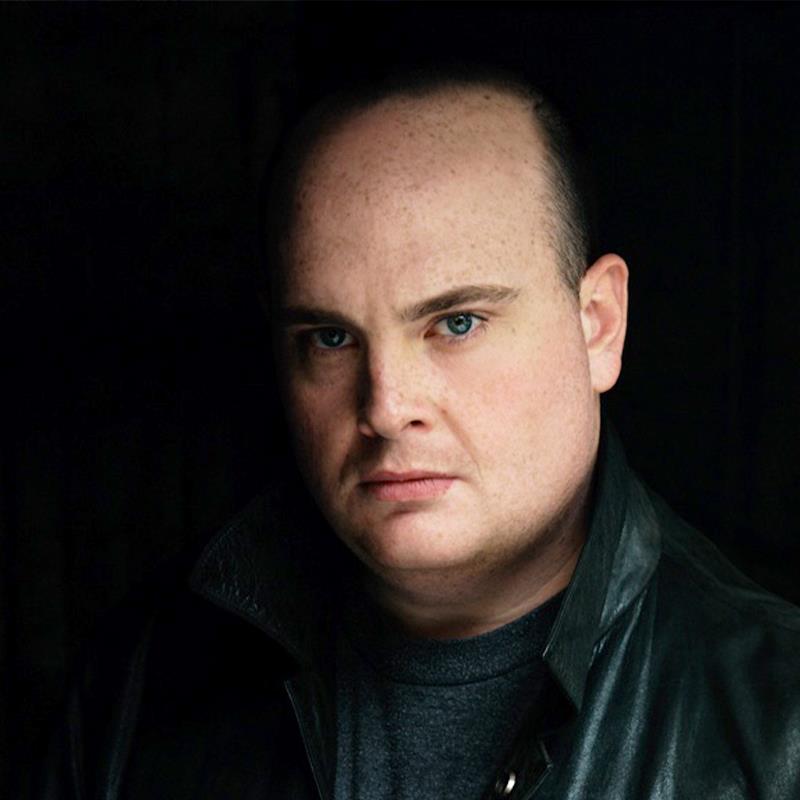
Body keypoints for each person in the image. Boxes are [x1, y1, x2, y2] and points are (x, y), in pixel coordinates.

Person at [38, 65, 800, 800]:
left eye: (456, 323)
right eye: (330, 338)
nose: (385, 406)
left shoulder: (776, 731)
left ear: (598, 324)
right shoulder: (136, 695)